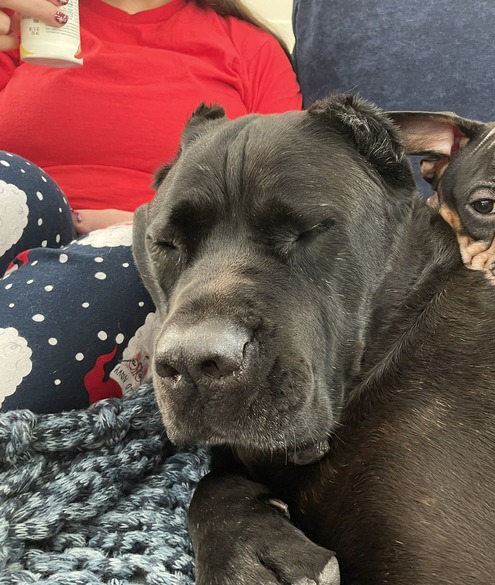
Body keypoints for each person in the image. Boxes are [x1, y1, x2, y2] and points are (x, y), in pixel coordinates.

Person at [0, 0, 302, 412]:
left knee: (119, 263)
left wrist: (160, 232)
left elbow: (281, 203)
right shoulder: (18, 23)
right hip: (14, 208)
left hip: (135, 257)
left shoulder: (249, 48)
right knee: (19, 188)